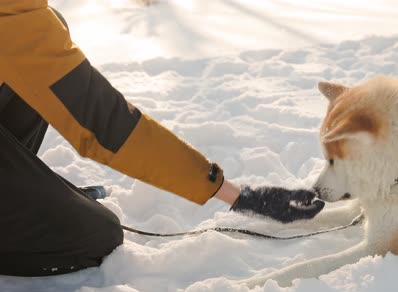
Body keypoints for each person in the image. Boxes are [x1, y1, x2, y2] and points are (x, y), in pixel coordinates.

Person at [0, 2, 324, 277]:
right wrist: (237, 195)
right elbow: (106, 124)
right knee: (95, 235)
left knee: (43, 36)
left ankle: (23, 203)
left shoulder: (18, 15)